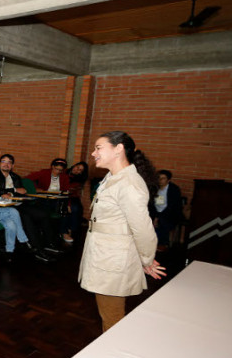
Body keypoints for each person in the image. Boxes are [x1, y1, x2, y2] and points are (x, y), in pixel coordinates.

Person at [81, 131, 164, 332]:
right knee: (107, 313)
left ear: (118, 149)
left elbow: (143, 229)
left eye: (98, 148)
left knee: (112, 317)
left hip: (113, 259)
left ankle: (111, 357)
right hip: (104, 254)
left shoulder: (129, 184)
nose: (93, 153)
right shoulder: (113, 178)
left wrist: (146, 259)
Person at [0, 153, 57, 259]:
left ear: (12, 166)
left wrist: (11, 193)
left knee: (43, 214)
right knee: (26, 218)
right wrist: (14, 190)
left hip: (18, 204)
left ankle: (49, 243)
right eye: (3, 161)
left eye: (9, 162)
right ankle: (37, 249)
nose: (6, 164)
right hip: (4, 207)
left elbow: (23, 192)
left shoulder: (15, 176)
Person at [150, 169, 183, 250]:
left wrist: (158, 217)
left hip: (170, 213)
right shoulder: (154, 188)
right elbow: (151, 204)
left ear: (168, 180)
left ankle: (162, 243)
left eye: (163, 178)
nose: (160, 180)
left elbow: (172, 206)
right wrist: (155, 216)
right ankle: (151, 243)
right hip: (155, 212)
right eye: (158, 178)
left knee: (162, 221)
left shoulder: (174, 189)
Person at [61, 161, 89, 243]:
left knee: (76, 208)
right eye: (77, 167)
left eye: (80, 170)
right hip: (62, 196)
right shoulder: (63, 172)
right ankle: (65, 231)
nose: (77, 170)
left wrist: (68, 203)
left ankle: (70, 229)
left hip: (72, 197)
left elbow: (69, 191)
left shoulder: (78, 180)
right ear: (74, 165)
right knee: (69, 207)